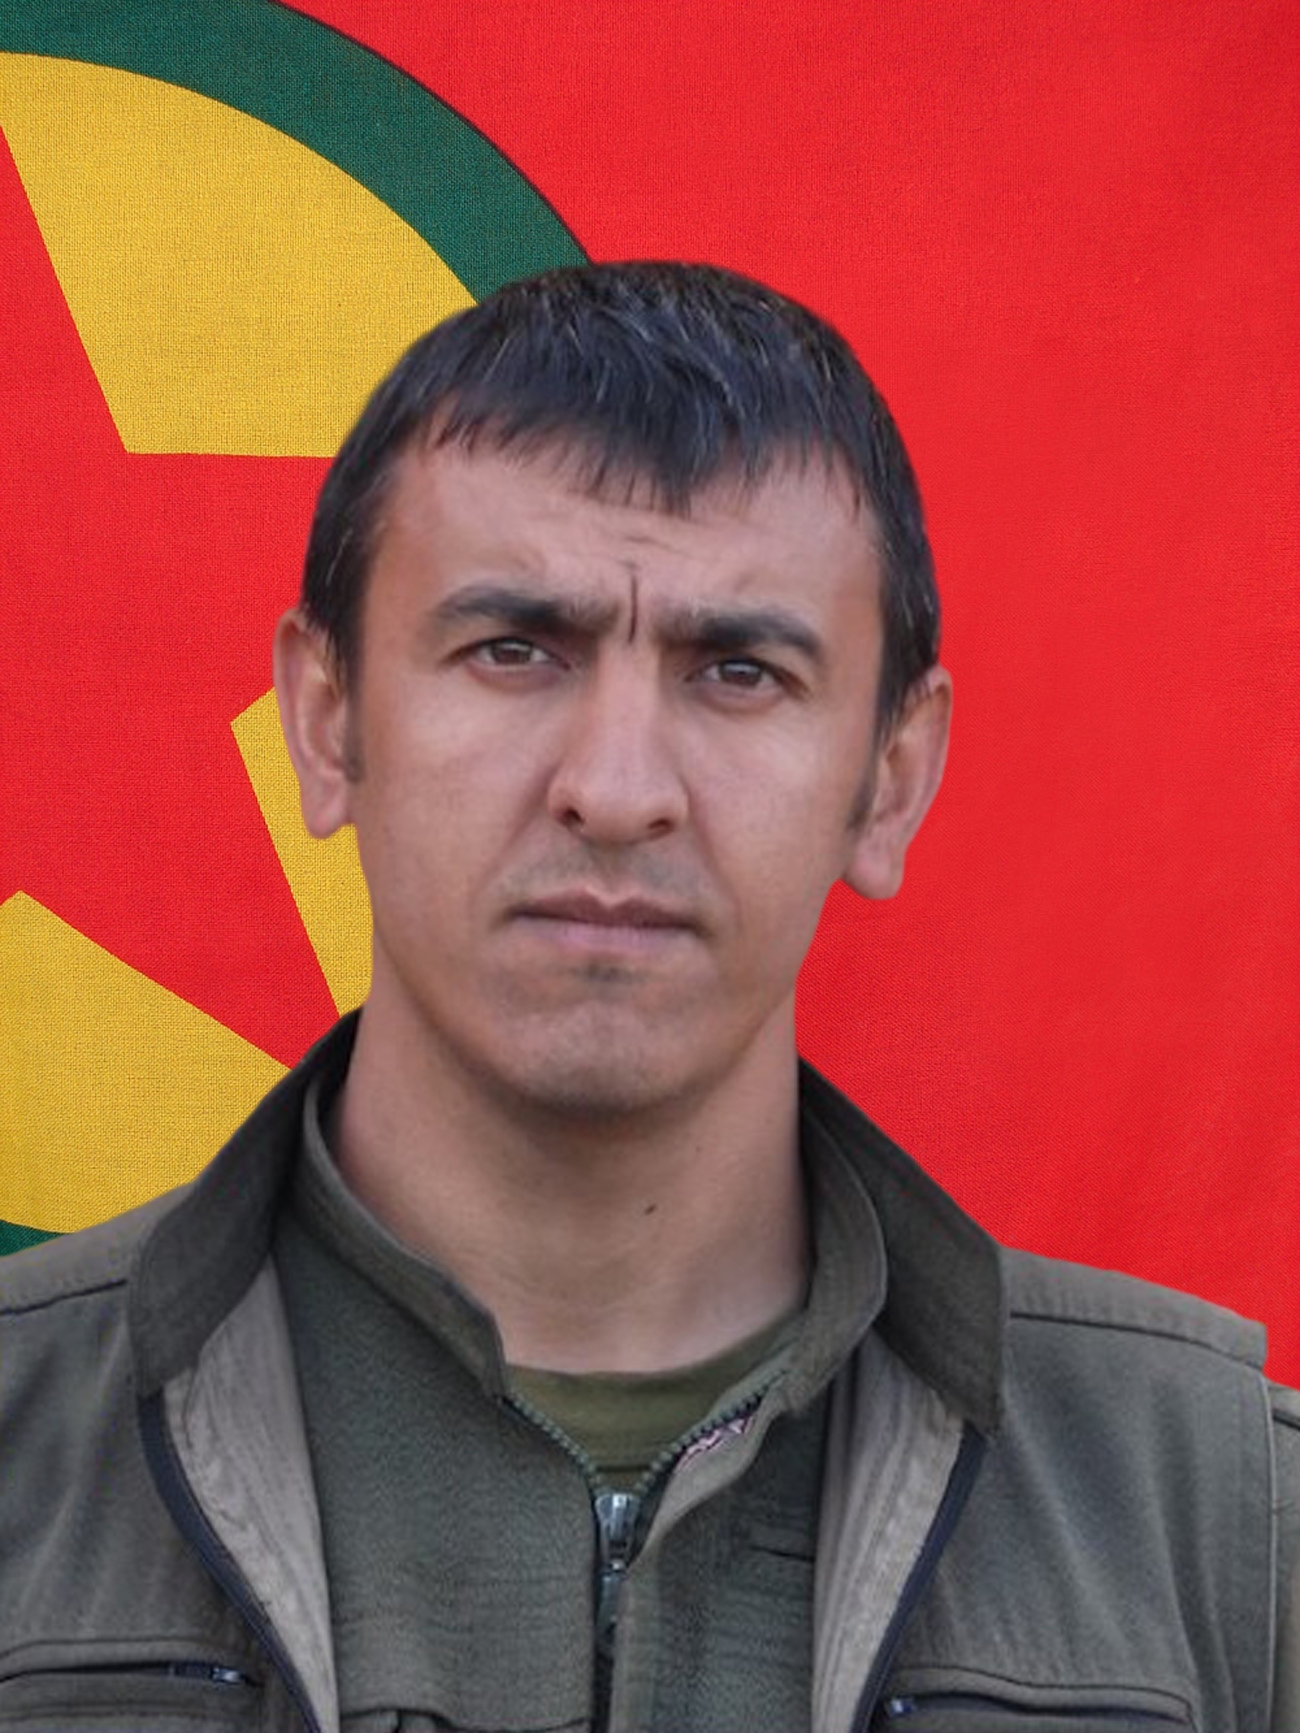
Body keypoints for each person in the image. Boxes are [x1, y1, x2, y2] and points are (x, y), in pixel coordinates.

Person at [1, 262, 1296, 1733]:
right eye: (512, 650)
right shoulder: (23, 1457)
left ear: (890, 777)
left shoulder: (1222, 1524)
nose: (617, 791)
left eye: (738, 670)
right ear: (326, 718)